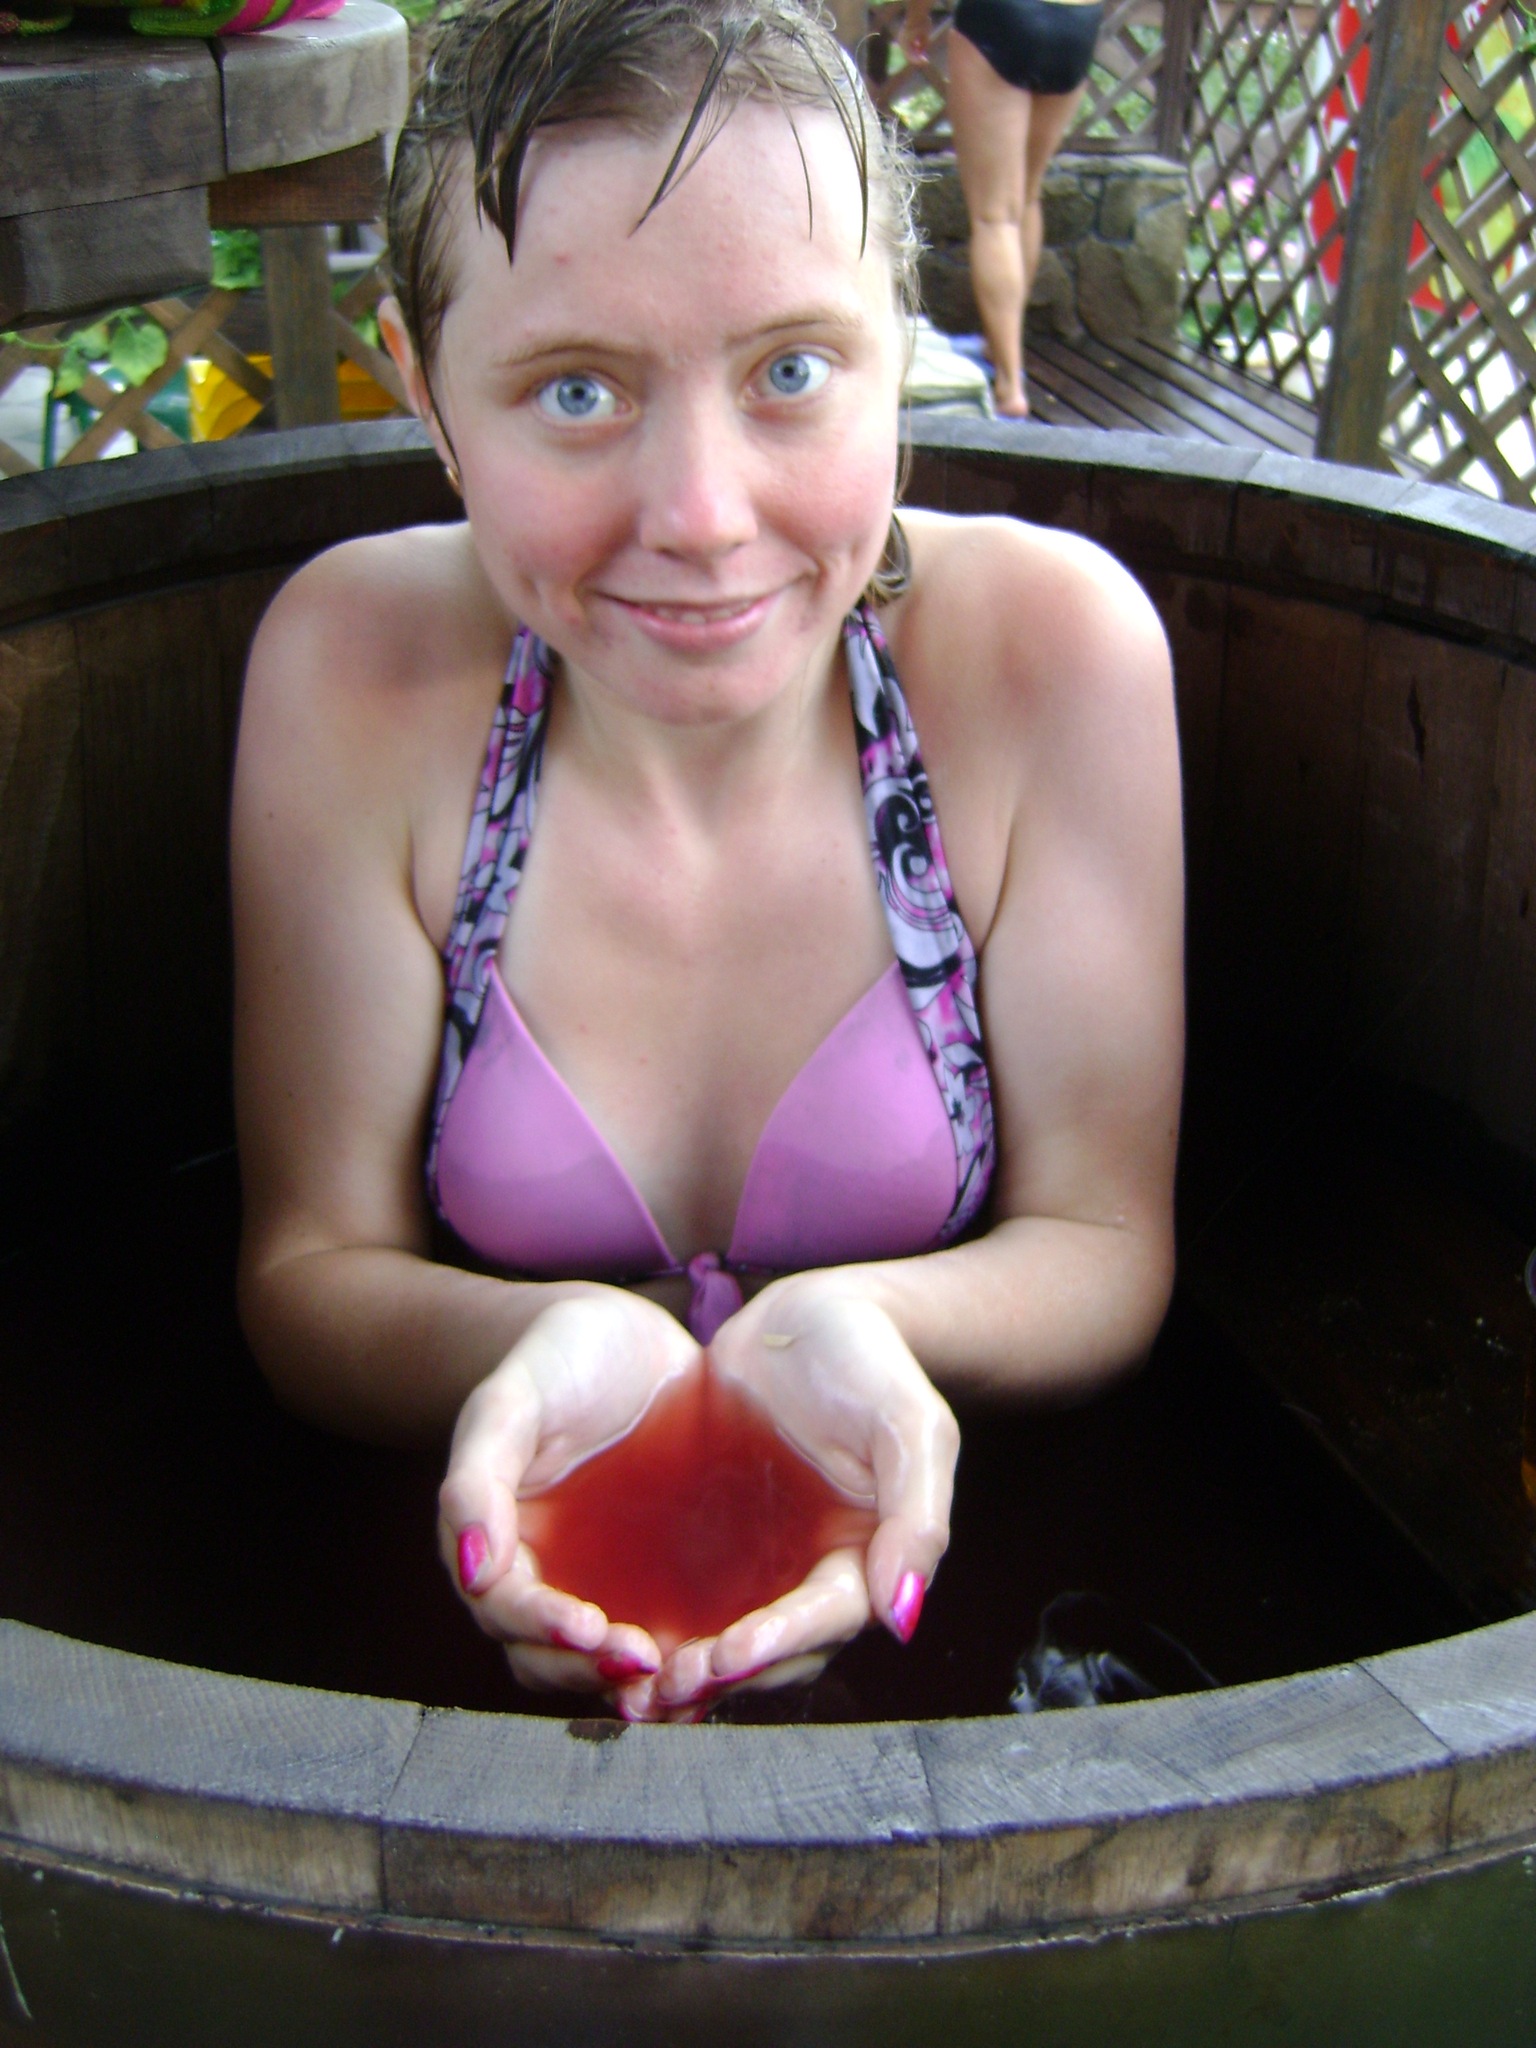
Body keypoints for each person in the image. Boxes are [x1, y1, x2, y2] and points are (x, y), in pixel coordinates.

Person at [230, 0, 1182, 1724]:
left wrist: (868, 1329)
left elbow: (1105, 1236)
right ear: (425, 391)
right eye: (576, 391)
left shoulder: (1050, 657)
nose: (702, 514)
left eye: (792, 372)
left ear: (898, 344)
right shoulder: (354, 670)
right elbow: (308, 1271)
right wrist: (530, 1345)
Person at [900, 0, 1107, 415]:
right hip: (1078, 23)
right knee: (1026, 197)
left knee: (994, 217)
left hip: (1001, 17)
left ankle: (1011, 386)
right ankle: (1000, 350)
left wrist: (917, 18)